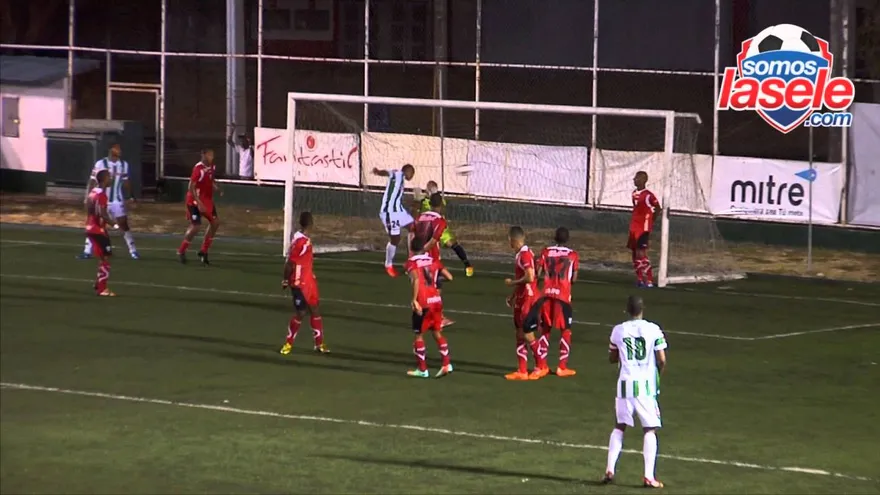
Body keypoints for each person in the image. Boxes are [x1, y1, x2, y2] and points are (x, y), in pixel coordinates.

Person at [603, 295, 668, 488]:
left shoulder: (618, 330)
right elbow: (662, 359)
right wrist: (657, 376)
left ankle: (610, 469)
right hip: (645, 386)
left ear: (626, 310)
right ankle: (649, 476)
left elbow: (612, 357)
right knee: (649, 429)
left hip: (624, 384)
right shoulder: (653, 329)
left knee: (619, 426)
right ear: (643, 309)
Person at [526, 227, 580, 377]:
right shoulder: (573, 255)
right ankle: (562, 367)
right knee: (566, 331)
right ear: (567, 239)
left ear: (554, 237)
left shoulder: (545, 252)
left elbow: (537, 273)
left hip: (547, 295)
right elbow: (574, 279)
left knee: (545, 329)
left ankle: (542, 365)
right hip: (563, 296)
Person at [280, 211, 330, 355]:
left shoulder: (302, 238)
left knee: (315, 309)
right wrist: (285, 279)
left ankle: (319, 344)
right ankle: (288, 343)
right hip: (298, 282)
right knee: (301, 313)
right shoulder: (300, 243)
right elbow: (289, 263)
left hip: (308, 280)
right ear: (311, 224)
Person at [79, 142, 139, 260]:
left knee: (124, 225)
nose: (119, 151)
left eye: (120, 149)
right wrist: (88, 197)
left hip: (117, 200)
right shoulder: (101, 164)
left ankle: (133, 250)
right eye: (117, 148)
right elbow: (92, 181)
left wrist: (132, 196)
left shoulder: (124, 164)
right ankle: (87, 251)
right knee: (95, 223)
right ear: (111, 149)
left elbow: (126, 181)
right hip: (101, 199)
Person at [405, 235, 454, 378]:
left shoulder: (411, 263)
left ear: (412, 249)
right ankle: (446, 364)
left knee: (418, 335)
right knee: (437, 332)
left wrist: (414, 300)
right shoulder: (434, 261)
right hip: (437, 301)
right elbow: (449, 277)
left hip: (424, 302)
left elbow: (415, 279)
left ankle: (422, 370)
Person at [503, 226, 548, 380]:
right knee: (519, 333)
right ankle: (522, 370)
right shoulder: (521, 254)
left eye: (509, 240)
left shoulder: (524, 255)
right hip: (522, 298)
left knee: (528, 334)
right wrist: (513, 295)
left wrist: (512, 283)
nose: (509, 243)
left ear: (514, 240)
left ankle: (541, 366)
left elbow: (530, 277)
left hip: (529, 300)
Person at [417, 180, 474, 277]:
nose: (428, 190)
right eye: (428, 188)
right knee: (423, 245)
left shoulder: (439, 200)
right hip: (428, 228)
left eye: (431, 188)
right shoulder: (423, 201)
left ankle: (467, 265)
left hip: (439, 226)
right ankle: (419, 265)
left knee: (452, 244)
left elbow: (441, 208)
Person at [178, 149, 222, 265]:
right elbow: (190, 187)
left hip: (207, 200)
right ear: (203, 155)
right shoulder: (198, 169)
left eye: (212, 155)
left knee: (215, 222)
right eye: (209, 155)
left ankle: (204, 251)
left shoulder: (212, 167)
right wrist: (199, 202)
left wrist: (215, 187)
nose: (211, 157)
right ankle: (182, 250)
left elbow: (210, 179)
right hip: (194, 201)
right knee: (196, 226)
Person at [372, 164, 415, 277]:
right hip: (390, 213)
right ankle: (388, 264)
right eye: (412, 172)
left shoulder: (402, 179)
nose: (412, 175)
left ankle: (411, 259)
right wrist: (378, 171)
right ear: (407, 171)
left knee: (414, 228)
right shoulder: (398, 174)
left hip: (399, 210)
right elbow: (388, 173)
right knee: (395, 239)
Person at [85, 169, 117, 296]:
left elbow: (88, 209)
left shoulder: (92, 192)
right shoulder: (102, 195)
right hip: (98, 230)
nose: (111, 179)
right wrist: (114, 224)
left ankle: (98, 283)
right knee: (105, 257)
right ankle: (102, 289)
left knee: (103, 256)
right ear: (104, 179)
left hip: (90, 227)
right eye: (109, 177)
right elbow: (103, 214)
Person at [629, 171, 662, 287]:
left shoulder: (648, 195)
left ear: (644, 180)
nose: (634, 180)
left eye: (637, 178)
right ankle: (640, 278)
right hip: (634, 227)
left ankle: (648, 280)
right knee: (634, 253)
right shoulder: (634, 193)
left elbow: (658, 208)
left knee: (641, 253)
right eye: (635, 178)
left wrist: (650, 221)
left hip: (643, 228)